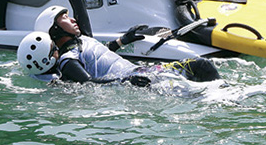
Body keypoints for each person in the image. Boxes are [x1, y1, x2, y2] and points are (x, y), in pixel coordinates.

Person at [18, 5, 220, 86]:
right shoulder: (67, 60)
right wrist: (126, 79)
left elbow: (99, 53)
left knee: (201, 69)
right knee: (202, 68)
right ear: (54, 30)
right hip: (140, 80)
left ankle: (223, 95)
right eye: (64, 18)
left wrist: (124, 40)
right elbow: (90, 83)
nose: (72, 20)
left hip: (143, 72)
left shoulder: (81, 42)